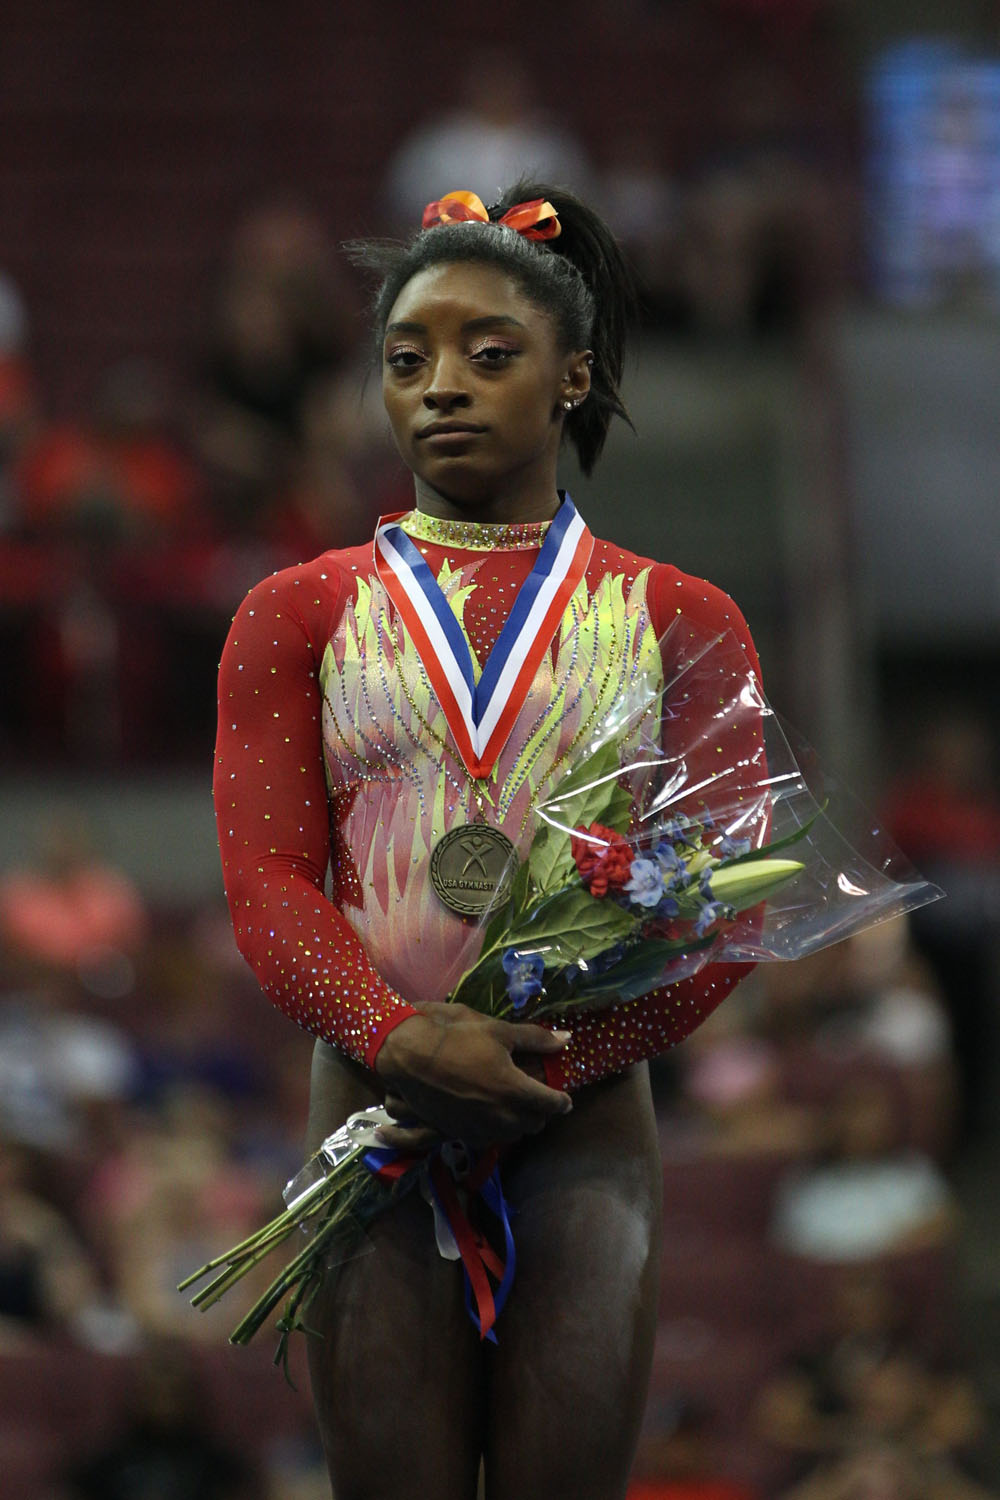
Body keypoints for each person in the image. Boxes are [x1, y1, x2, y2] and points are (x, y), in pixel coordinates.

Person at [213, 181, 766, 1500]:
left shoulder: (677, 614)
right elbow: (270, 884)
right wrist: (401, 1038)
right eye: (408, 360)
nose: (440, 387)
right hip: (371, 1097)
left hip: (577, 1115)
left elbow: (728, 904)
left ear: (574, 373)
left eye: (488, 352)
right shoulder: (297, 612)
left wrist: (549, 1057)